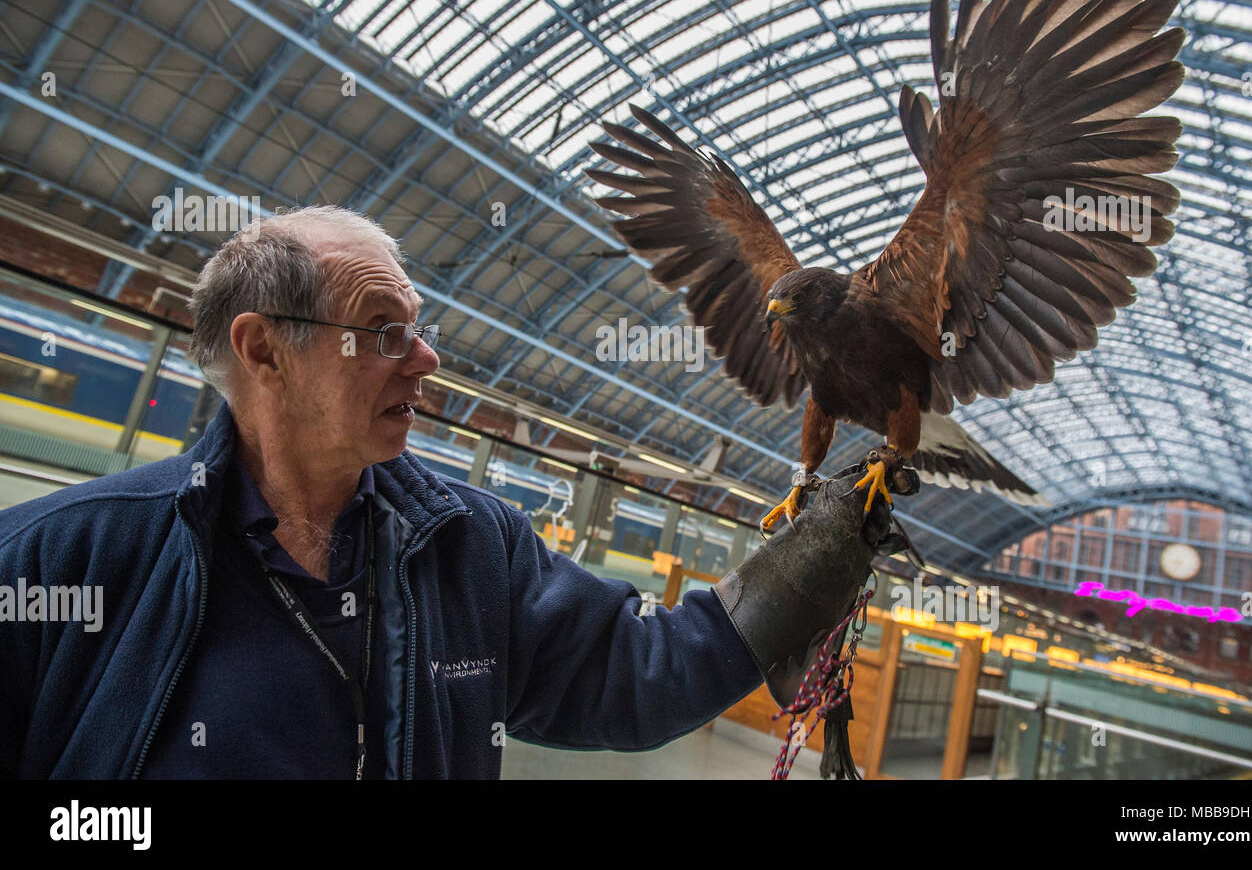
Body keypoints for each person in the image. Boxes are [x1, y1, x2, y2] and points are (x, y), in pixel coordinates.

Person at [0, 206, 771, 779]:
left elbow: (633, 673)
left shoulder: (474, 547)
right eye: (382, 330)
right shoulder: (53, 563)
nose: (426, 358)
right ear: (265, 349)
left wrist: (811, 566)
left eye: (418, 327)